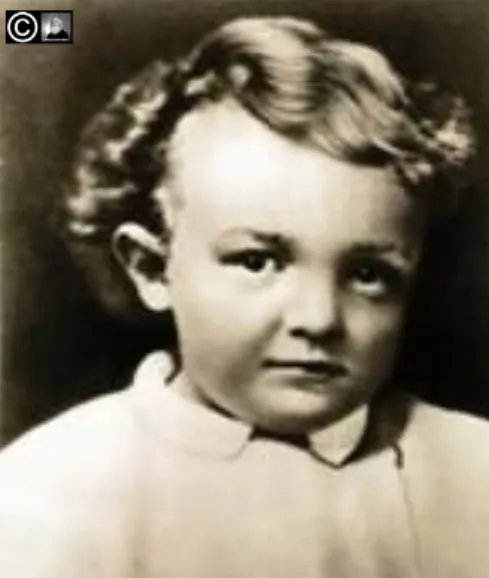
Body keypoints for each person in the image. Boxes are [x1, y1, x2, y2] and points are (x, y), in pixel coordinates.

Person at [0, 16, 487, 578]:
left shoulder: (474, 471)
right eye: (257, 262)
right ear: (152, 268)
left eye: (367, 273)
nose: (319, 319)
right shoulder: (48, 492)